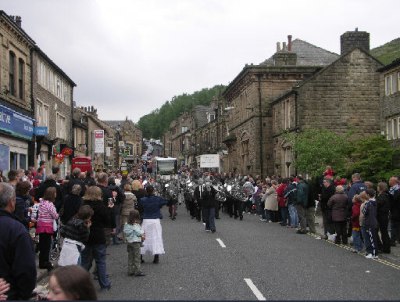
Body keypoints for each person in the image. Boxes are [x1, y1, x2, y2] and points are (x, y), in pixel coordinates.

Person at [0, 183, 37, 300]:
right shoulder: (16, 230)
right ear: (11, 202)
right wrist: (23, 295)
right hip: (10, 294)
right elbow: (26, 270)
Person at [80, 186, 113, 291]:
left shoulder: (83, 206)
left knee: (85, 262)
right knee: (100, 261)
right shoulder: (101, 206)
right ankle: (104, 284)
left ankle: (80, 284)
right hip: (98, 235)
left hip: (85, 236)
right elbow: (107, 221)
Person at [139, 185, 167, 264]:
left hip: (146, 219)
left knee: (143, 237)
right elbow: (165, 201)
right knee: (156, 237)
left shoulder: (142, 200)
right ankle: (156, 257)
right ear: (153, 191)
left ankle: (140, 256)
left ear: (146, 191)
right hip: (155, 220)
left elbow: (140, 207)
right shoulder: (157, 199)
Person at [36, 187, 59, 271]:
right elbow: (55, 215)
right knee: (46, 246)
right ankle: (45, 263)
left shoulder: (42, 203)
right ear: (52, 195)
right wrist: (58, 215)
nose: (56, 194)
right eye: (55, 193)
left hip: (41, 225)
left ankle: (42, 262)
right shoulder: (50, 204)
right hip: (47, 226)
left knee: (42, 245)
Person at [123, 209, 145, 276]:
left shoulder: (126, 224)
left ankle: (130, 270)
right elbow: (140, 233)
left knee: (130, 256)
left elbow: (125, 232)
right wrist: (142, 234)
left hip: (129, 242)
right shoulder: (135, 225)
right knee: (137, 257)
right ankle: (137, 270)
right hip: (136, 242)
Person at [363, 188, 378, 259]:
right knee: (373, 238)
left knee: (371, 239)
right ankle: (372, 252)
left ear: (368, 195)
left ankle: (373, 253)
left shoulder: (368, 203)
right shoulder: (376, 202)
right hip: (374, 222)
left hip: (369, 223)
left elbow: (364, 211)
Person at [376, 182, 391, 254]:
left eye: (378, 186)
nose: (377, 188)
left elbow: (378, 205)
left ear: (380, 188)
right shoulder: (387, 195)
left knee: (383, 232)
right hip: (384, 215)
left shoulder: (382, 196)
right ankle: (385, 247)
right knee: (384, 232)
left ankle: (385, 248)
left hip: (382, 216)